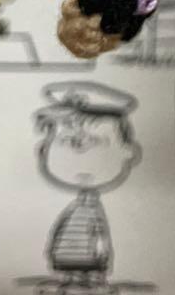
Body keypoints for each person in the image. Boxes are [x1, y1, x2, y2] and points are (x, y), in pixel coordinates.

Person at [35, 82, 142, 291]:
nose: (77, 153)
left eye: (94, 142)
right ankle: (72, 278)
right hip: (67, 257)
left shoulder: (91, 209)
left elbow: (99, 233)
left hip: (91, 258)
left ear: (129, 152)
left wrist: (102, 254)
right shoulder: (78, 208)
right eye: (66, 142)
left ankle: (90, 279)